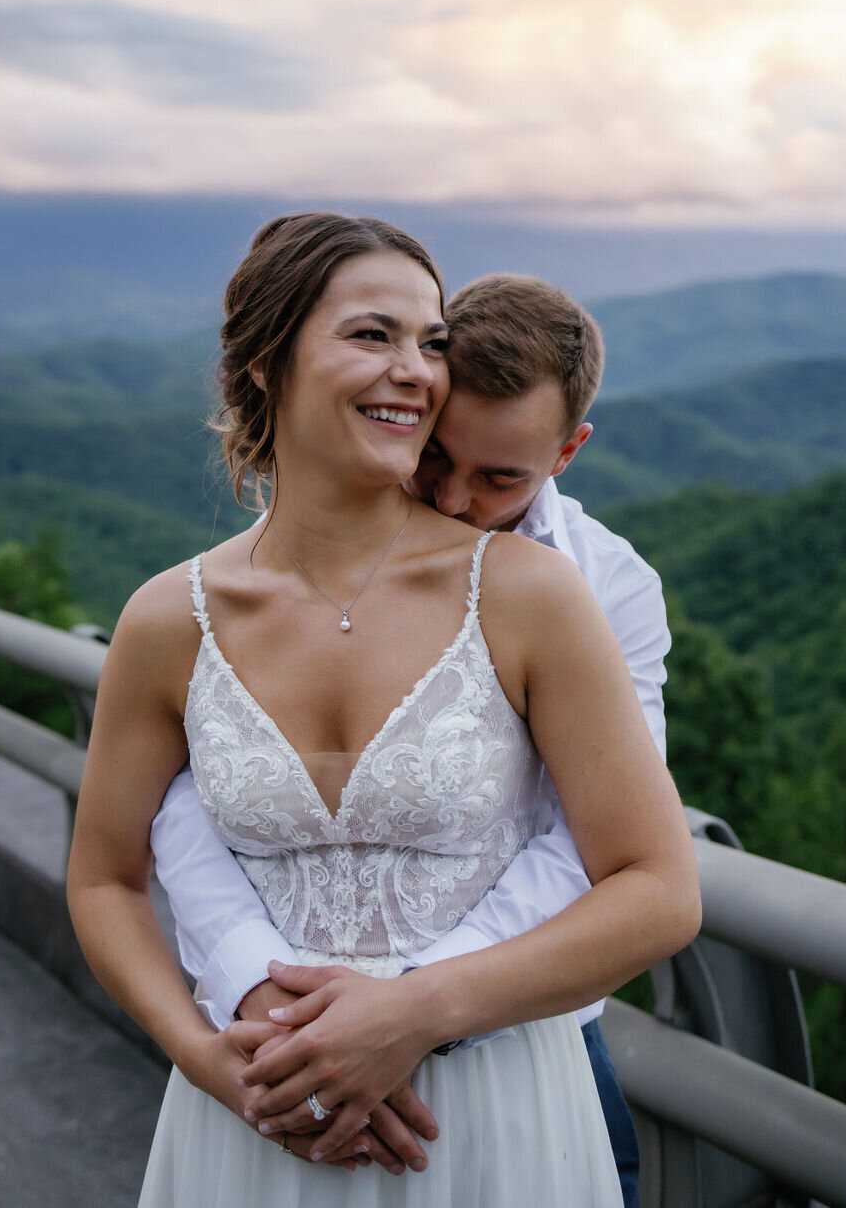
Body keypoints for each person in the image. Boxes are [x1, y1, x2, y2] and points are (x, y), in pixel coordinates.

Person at [67, 212, 699, 1207]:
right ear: (266, 358)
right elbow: (106, 873)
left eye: (430, 340)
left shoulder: (536, 591)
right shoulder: (166, 617)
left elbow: (657, 883)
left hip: (490, 1107)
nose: (415, 367)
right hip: (258, 1110)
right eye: (373, 334)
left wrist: (413, 1009)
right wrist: (203, 1054)